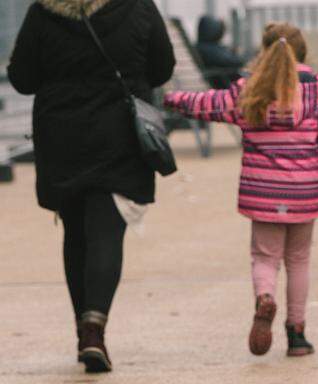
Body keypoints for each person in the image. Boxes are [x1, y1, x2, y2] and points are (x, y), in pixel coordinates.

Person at [164, 23, 318, 357]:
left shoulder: (249, 92)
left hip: (262, 193)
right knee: (299, 260)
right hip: (304, 193)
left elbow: (206, 104)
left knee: (265, 257)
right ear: (303, 54)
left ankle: (265, 297)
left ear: (263, 52)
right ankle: (297, 334)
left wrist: (169, 98)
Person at [7, 0, 175, 373]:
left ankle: (84, 331)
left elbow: (22, 79)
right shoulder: (138, 7)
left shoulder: (43, 11)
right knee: (107, 232)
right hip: (119, 135)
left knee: (75, 234)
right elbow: (162, 68)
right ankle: (94, 327)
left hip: (62, 136)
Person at [196, 16, 244, 88]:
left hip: (223, 82)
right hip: (224, 86)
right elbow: (236, 61)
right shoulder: (209, 49)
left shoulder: (204, 46)